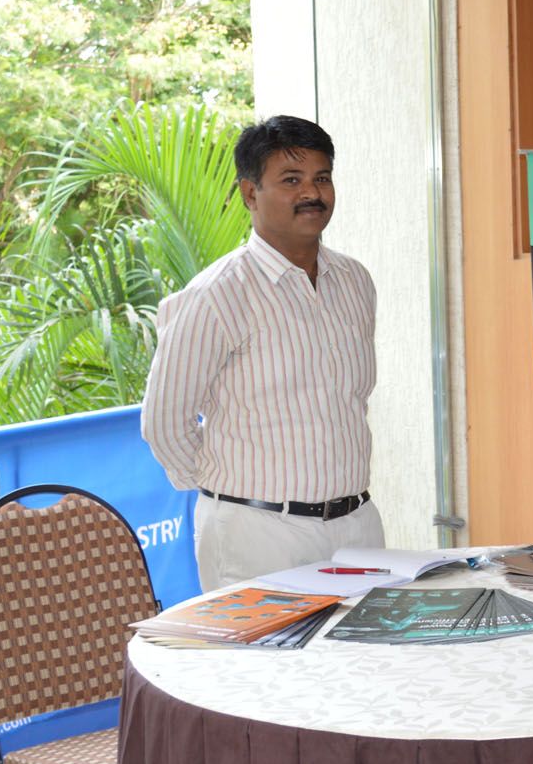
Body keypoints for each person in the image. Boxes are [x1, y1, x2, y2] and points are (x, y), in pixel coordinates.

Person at [141, 116, 382, 590]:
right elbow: (164, 422)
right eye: (291, 180)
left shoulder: (355, 281)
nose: (311, 193)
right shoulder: (215, 295)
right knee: (271, 646)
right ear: (250, 194)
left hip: (358, 527)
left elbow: (350, 401)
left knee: (366, 642)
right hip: (258, 536)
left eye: (322, 178)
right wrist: (229, 492)